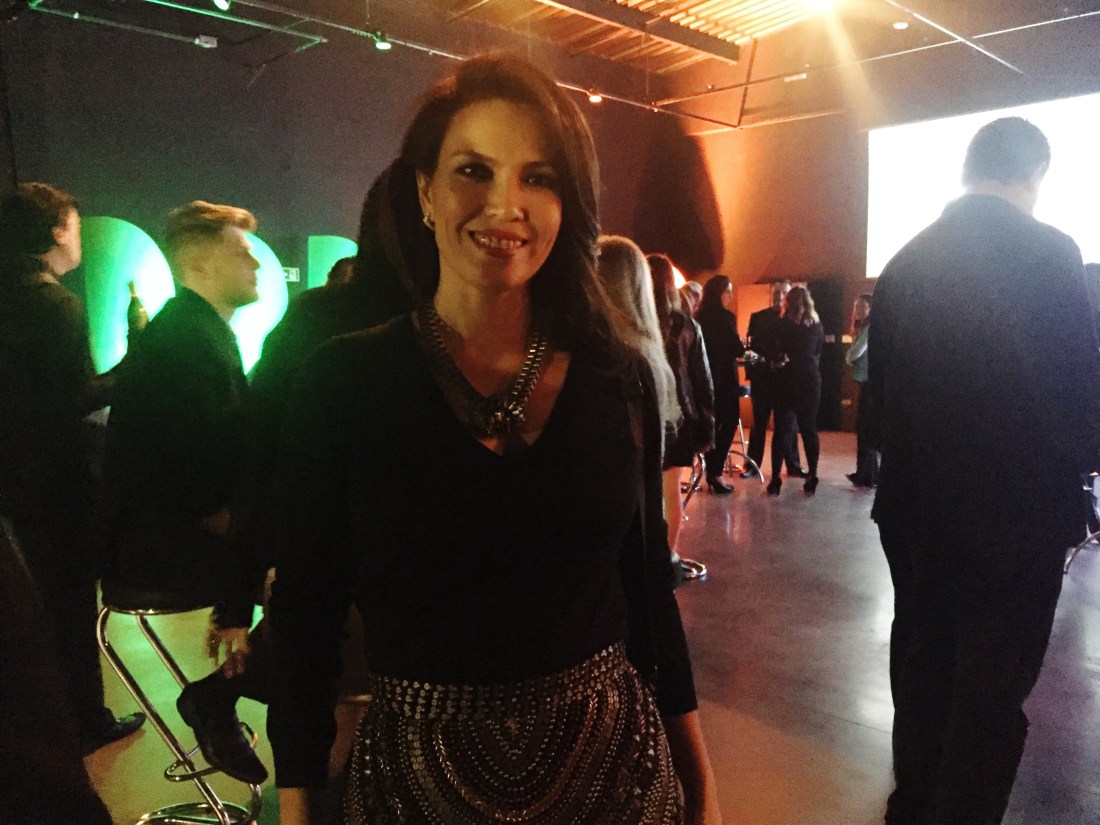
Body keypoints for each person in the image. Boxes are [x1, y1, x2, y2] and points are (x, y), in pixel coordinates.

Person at [267, 53, 721, 825]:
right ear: (425, 191)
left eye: (538, 177)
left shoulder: (618, 380)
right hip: (417, 788)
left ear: (567, 205)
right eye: (473, 170)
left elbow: (646, 589)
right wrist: (297, 798)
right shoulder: (342, 381)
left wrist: (699, 780)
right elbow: (306, 614)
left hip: (613, 778)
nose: (505, 204)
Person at [870, 117, 1100, 825]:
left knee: (925, 667)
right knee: (992, 693)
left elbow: (879, 409)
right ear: (1035, 173)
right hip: (1015, 518)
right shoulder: (1050, 252)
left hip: (915, 512)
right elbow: (1075, 396)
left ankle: (912, 806)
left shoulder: (905, 261)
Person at [104, 201, 269, 785]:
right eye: (240, 251)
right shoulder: (185, 344)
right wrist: (252, 566)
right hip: (158, 549)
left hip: (160, 536)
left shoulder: (194, 333)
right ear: (198, 265)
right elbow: (192, 490)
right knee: (325, 580)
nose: (257, 263)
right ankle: (221, 697)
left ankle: (225, 693)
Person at [0, 182, 146, 755]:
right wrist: (136, 358)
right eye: (75, 225)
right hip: (54, 484)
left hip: (13, 483)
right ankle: (86, 720)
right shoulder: (53, 302)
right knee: (69, 608)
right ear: (58, 229)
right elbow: (76, 398)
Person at [649, 253, 715, 556]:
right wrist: (707, 425)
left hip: (643, 415)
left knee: (646, 492)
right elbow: (702, 379)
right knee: (670, 490)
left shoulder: (634, 320)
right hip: (680, 417)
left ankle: (648, 559)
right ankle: (668, 557)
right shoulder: (687, 324)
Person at [744, 279, 805, 480]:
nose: (779, 296)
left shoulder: (796, 318)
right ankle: (752, 465)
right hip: (763, 377)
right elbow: (750, 349)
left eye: (783, 293)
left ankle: (793, 465)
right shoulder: (758, 317)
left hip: (785, 379)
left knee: (788, 425)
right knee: (759, 423)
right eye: (776, 292)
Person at [766, 285, 823, 496]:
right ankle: (812, 474)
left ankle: (775, 479)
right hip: (810, 379)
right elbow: (818, 351)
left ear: (786, 302)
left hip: (786, 380)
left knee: (782, 431)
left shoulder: (780, 325)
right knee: (809, 429)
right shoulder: (816, 326)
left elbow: (772, 350)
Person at [694, 275, 744, 493]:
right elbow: (737, 349)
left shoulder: (698, 317)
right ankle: (715, 471)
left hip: (705, 378)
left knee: (711, 424)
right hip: (724, 378)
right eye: (728, 291)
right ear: (721, 293)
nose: (730, 296)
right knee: (730, 421)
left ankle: (710, 469)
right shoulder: (725, 317)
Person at [845, 293, 878, 488]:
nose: (856, 310)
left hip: (868, 382)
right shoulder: (866, 328)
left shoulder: (868, 329)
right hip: (866, 381)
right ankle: (868, 474)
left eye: (861, 306)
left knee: (864, 429)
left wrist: (849, 357)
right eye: (855, 306)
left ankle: (866, 475)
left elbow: (853, 355)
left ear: (870, 308)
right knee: (865, 428)